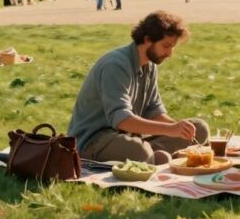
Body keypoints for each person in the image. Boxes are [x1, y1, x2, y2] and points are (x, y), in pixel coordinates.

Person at [67, 11, 209, 164]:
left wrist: (178, 128)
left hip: (127, 138)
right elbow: (122, 120)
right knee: (140, 151)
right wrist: (170, 130)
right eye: (166, 46)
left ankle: (152, 157)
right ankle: (151, 156)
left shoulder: (150, 65)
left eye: (172, 47)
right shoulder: (115, 65)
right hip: (93, 141)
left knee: (200, 128)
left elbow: (154, 111)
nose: (169, 54)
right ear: (147, 39)